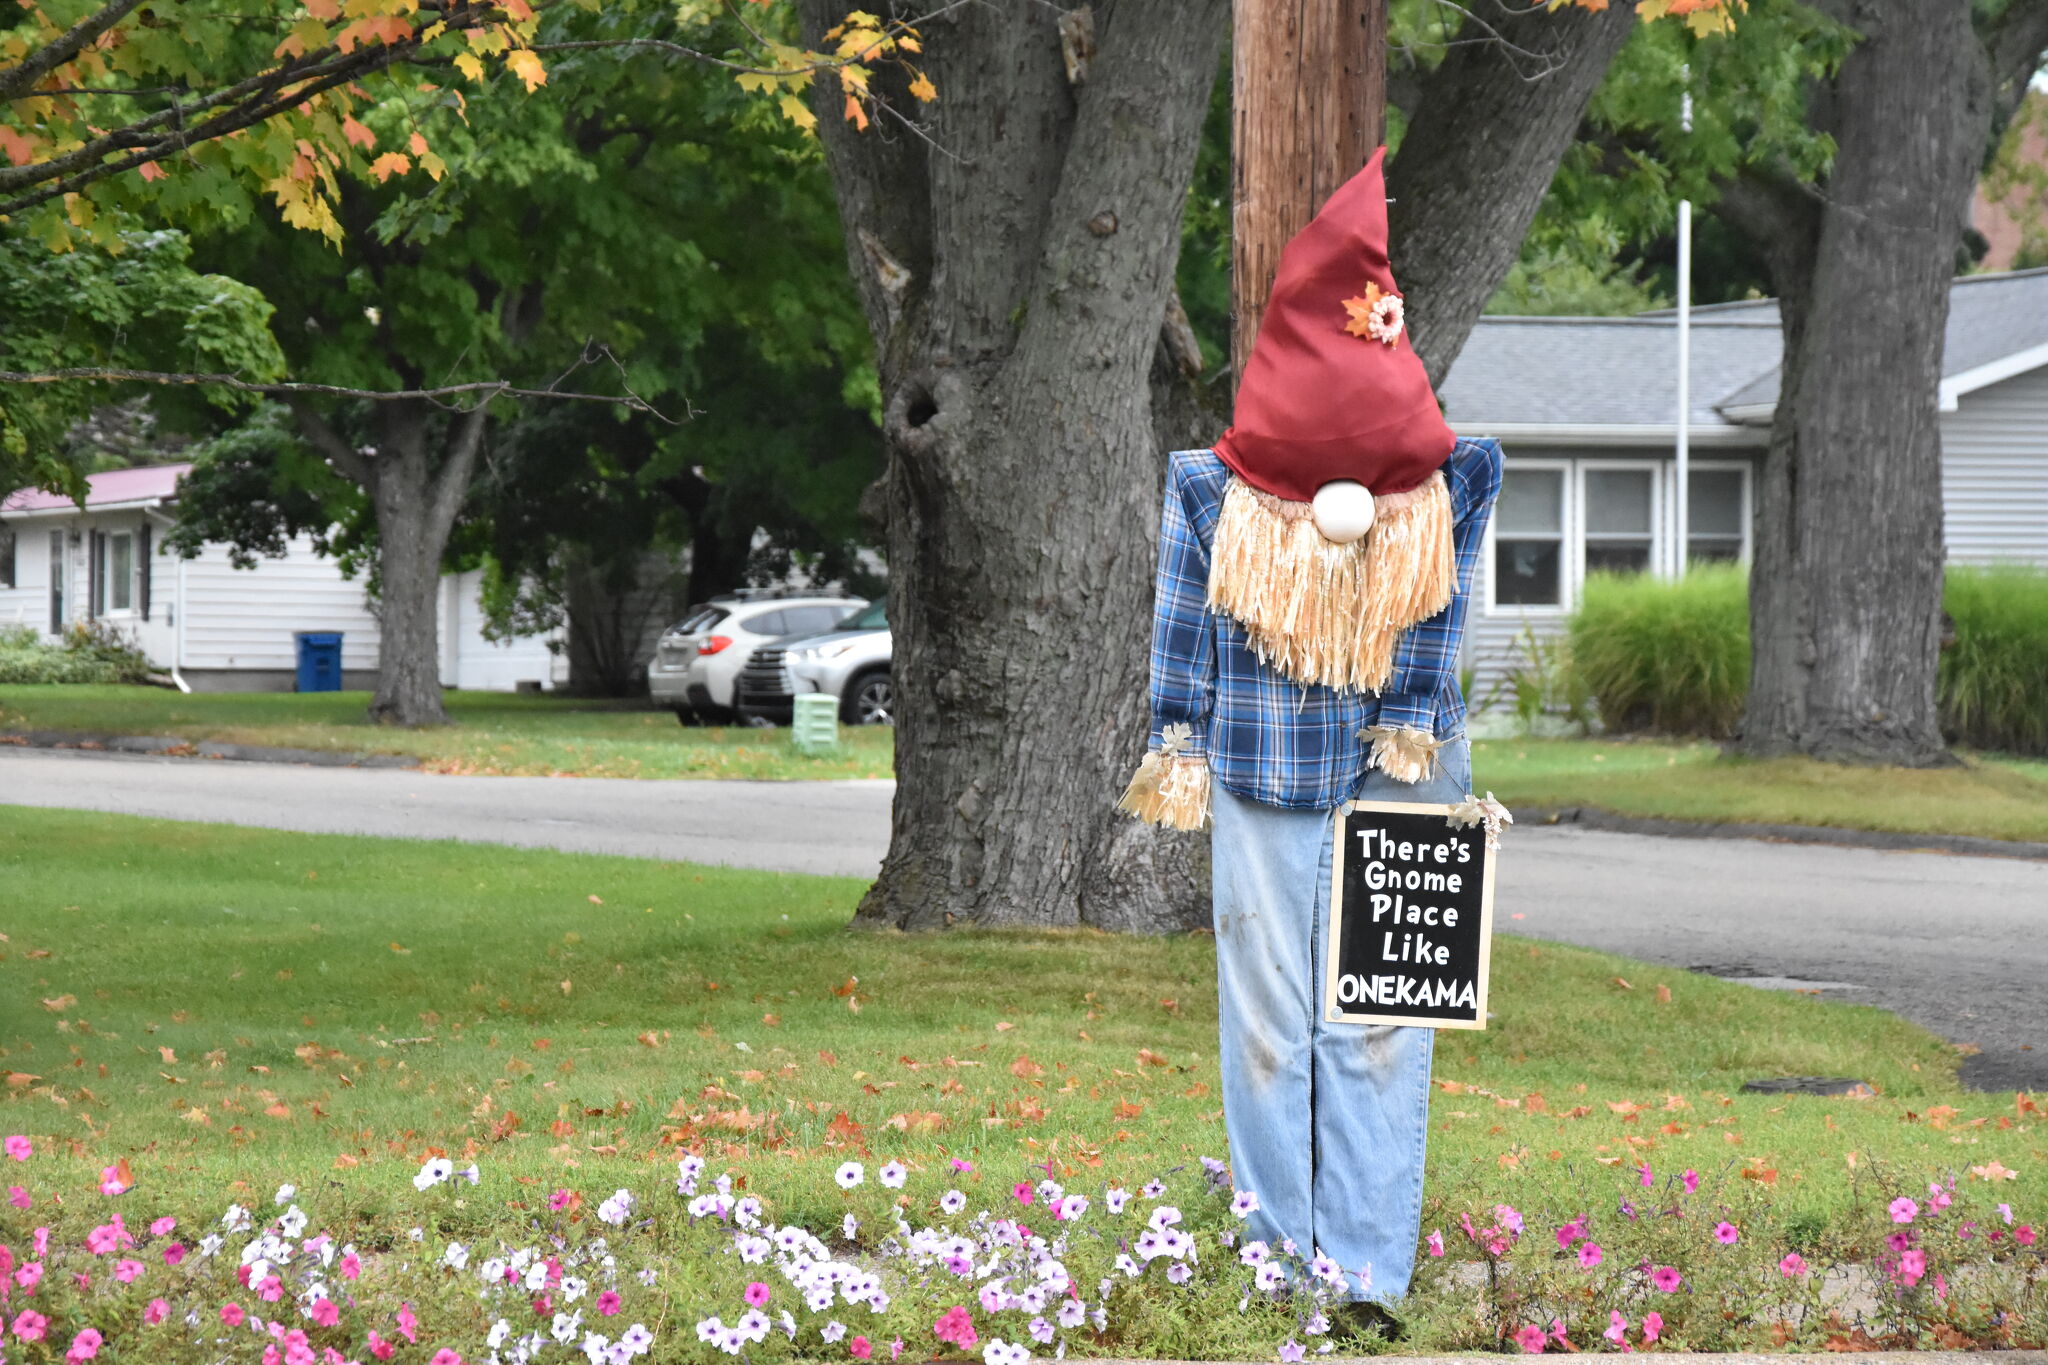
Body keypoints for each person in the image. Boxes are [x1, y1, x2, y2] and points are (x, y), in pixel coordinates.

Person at [1118, 147, 1502, 1334]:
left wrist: (1410, 725)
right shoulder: (1207, 496)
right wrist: (1175, 736)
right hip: (1257, 771)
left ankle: (1368, 1281)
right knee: (1271, 1028)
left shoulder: (1446, 489)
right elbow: (1179, 635)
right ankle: (1280, 1265)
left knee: (1383, 1019)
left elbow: (1436, 627)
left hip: (1403, 776)